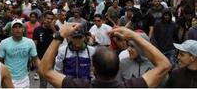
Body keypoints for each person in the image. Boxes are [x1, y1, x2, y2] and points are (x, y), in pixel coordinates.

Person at [38, 24, 171, 88]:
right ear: (118, 67)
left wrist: (59, 36)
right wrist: (133, 36)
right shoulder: (132, 86)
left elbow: (45, 70)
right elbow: (164, 65)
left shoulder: (78, 86)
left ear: (93, 68)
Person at [0, 18, 39, 88]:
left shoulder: (30, 42)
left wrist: (43, 72)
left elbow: (36, 59)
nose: (17, 29)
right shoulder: (4, 43)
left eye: (20, 27)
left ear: (23, 29)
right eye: (15, 27)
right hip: (8, 79)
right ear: (11, 30)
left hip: (24, 79)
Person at [33, 11, 55, 87]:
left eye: (51, 19)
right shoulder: (37, 30)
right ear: (43, 19)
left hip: (53, 59)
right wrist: (35, 59)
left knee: (54, 81)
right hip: (41, 59)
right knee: (43, 81)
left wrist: (53, 28)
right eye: (47, 18)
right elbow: (34, 45)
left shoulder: (55, 29)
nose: (49, 20)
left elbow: (60, 40)